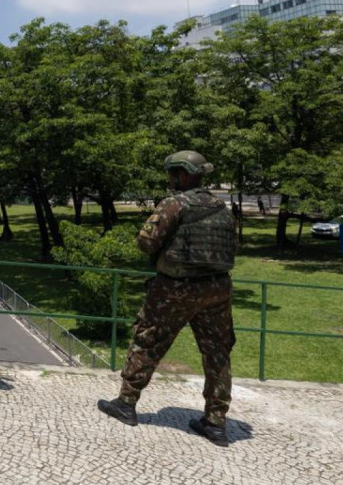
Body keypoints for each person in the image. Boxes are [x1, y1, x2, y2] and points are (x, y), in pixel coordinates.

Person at [98, 151, 238, 447]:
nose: (170, 178)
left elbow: (146, 242)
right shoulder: (220, 206)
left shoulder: (174, 204)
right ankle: (215, 421)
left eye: (173, 173)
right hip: (217, 289)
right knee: (218, 353)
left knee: (147, 341)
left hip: (175, 288)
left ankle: (126, 402)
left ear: (183, 174)